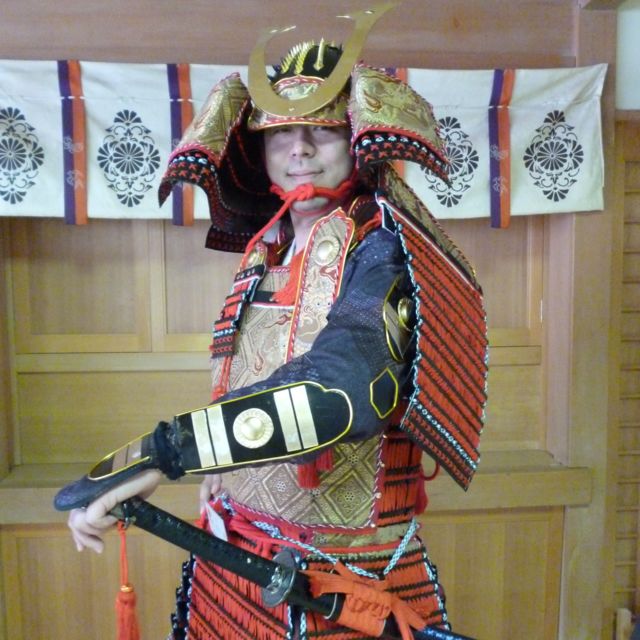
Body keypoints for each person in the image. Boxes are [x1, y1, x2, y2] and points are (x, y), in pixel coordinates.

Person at [57, 29, 488, 640]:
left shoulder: (387, 250)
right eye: (280, 131)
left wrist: (164, 453)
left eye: (322, 129)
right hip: (233, 556)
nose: (299, 148)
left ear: (358, 136)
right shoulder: (268, 249)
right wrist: (214, 470)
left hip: (340, 579)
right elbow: (244, 383)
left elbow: (339, 392)